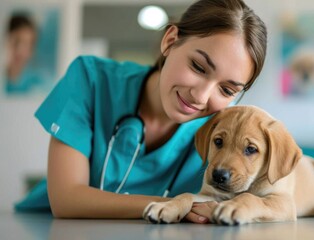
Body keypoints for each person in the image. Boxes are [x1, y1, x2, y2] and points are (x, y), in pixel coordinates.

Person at [14, 0, 267, 224]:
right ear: (170, 41)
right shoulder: (91, 80)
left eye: (226, 89)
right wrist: (175, 205)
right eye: (198, 67)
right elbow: (66, 199)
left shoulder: (226, 131)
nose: (201, 97)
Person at [4, 13, 42, 94]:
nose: (19, 50)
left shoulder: (39, 86)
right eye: (16, 41)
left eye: (26, 44)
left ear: (32, 50)